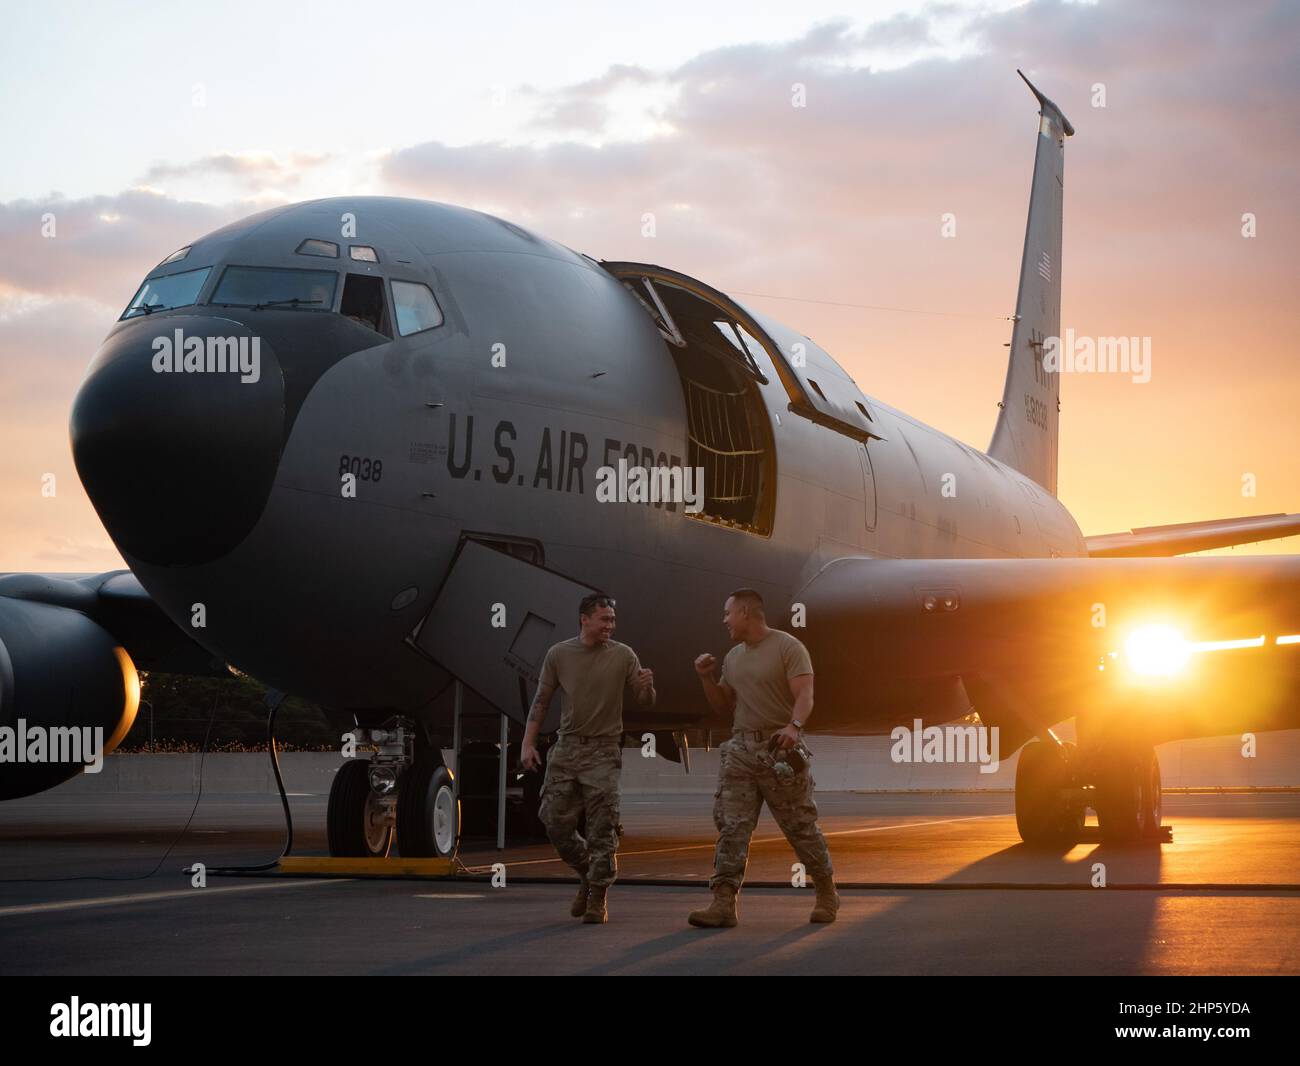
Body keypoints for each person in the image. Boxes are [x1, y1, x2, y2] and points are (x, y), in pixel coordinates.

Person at [688, 588, 838, 927]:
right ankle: (723, 904)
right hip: (740, 750)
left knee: (800, 826)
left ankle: (827, 893)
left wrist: (794, 727)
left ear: (745, 613)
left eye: (728, 613)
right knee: (732, 828)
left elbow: (806, 695)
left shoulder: (788, 647)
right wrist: (706, 678)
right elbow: (722, 705)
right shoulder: (733, 657)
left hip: (778, 751)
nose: (724, 620)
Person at [520, 593, 655, 923]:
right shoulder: (559, 654)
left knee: (602, 828)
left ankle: (597, 895)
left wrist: (647, 687)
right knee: (553, 820)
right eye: (603, 619)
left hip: (604, 750)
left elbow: (644, 700)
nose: (610, 625)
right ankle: (586, 872)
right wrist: (528, 744)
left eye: (612, 619)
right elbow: (541, 702)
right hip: (567, 748)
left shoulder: (623, 655)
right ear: (584, 619)